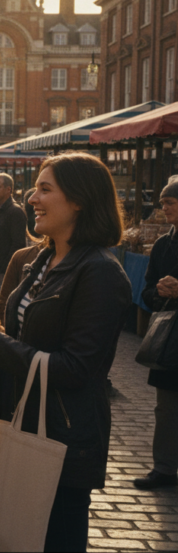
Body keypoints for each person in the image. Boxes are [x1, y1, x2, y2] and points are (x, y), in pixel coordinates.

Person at [0, 153, 131, 552]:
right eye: (35, 188)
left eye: (45, 189)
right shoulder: (44, 258)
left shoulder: (100, 271)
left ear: (79, 201)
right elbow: (29, 335)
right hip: (24, 421)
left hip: (63, 439)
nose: (32, 198)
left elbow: (77, 368)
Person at [135, 181, 178, 491]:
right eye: (163, 202)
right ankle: (164, 468)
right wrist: (158, 291)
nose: (165, 208)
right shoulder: (163, 244)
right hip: (170, 340)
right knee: (166, 408)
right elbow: (146, 292)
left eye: (171, 202)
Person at [0, 173, 27, 295]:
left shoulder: (14, 212)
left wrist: (4, 269)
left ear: (8, 189)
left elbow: (18, 245)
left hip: (3, 274)